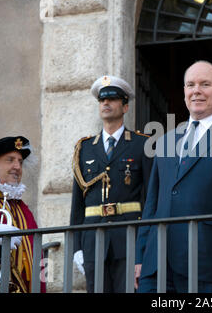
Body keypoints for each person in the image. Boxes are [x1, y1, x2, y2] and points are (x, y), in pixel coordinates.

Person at [135, 60, 212, 293]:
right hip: (156, 265)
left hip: (208, 261)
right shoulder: (166, 140)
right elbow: (152, 204)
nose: (196, 90)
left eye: (204, 84)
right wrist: (140, 256)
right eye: (190, 85)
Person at [70, 75, 153, 293]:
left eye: (113, 99)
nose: (106, 103)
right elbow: (77, 203)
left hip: (128, 238)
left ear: (125, 106)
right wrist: (76, 247)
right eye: (102, 100)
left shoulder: (141, 144)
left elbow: (150, 197)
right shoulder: (85, 148)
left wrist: (146, 245)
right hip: (92, 239)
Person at [0, 136, 46, 293]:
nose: (17, 167)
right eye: (10, 160)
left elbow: (38, 255)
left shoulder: (21, 207)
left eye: (20, 162)